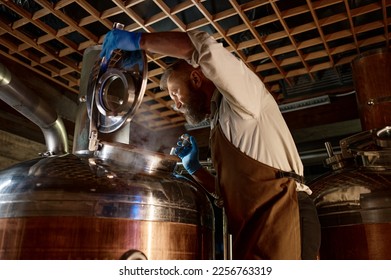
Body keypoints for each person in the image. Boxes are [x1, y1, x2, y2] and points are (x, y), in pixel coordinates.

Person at [100, 28, 321, 260]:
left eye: (175, 93)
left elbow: (203, 47)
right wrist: (195, 170)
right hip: (257, 228)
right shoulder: (219, 123)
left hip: (287, 216)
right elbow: (231, 193)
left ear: (196, 78)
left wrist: (141, 41)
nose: (176, 104)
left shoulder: (244, 99)